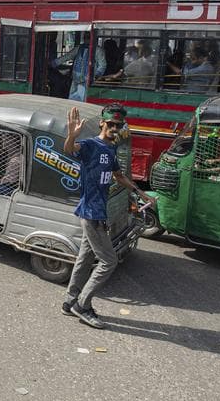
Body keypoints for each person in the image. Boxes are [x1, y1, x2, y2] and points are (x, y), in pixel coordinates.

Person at [60, 104, 154, 329]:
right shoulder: (91, 145)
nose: (114, 128)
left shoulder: (111, 148)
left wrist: (141, 193)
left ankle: (69, 300)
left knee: (85, 257)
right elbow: (69, 149)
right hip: (92, 213)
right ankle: (82, 305)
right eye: (110, 124)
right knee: (109, 261)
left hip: (99, 211)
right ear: (102, 123)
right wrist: (72, 135)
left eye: (118, 125)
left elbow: (118, 176)